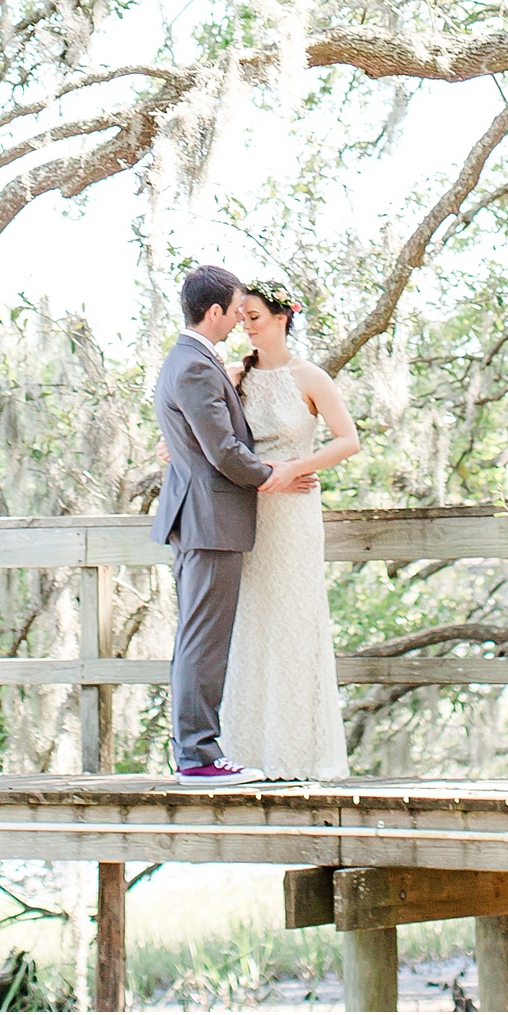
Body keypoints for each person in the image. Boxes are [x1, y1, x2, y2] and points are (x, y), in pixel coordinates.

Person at [151, 263, 314, 781]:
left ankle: (196, 751)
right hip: (209, 517)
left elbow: (198, 442)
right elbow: (223, 451)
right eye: (235, 311)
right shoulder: (196, 365)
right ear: (214, 311)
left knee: (197, 637)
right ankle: (198, 757)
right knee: (202, 640)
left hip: (202, 516)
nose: (239, 320)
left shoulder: (190, 360)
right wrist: (274, 476)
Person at [219, 284, 358, 780]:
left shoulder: (310, 376)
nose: (246, 324)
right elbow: (207, 436)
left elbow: (348, 440)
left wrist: (297, 466)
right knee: (251, 621)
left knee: (297, 619)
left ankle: (299, 751)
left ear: (282, 316)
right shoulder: (234, 376)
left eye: (254, 315)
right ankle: (247, 751)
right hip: (248, 509)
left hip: (295, 508)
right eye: (241, 317)